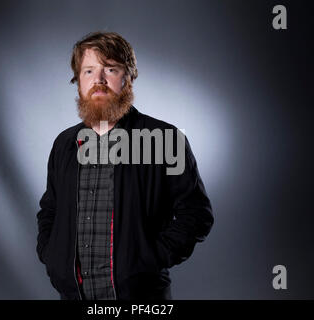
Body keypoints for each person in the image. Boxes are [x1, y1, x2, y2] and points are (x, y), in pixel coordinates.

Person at [36, 31, 213, 300]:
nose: (99, 80)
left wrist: (150, 259)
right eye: (88, 71)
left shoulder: (166, 140)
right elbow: (50, 209)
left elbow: (196, 214)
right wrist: (51, 256)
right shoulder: (64, 144)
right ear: (78, 81)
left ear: (128, 78)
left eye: (110, 69)